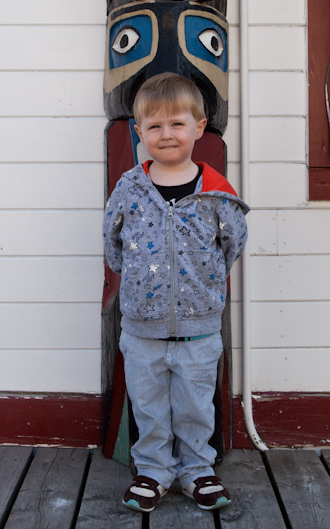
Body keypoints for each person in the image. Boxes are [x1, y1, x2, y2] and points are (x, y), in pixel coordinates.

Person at [103, 72, 249, 513]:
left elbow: (233, 245)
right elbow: (112, 242)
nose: (166, 135)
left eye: (177, 124)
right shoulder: (130, 188)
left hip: (199, 329)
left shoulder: (217, 195)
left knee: (194, 405)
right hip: (142, 328)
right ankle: (153, 470)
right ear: (139, 131)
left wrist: (201, 286)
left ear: (199, 128)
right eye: (154, 126)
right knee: (148, 407)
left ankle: (196, 470)